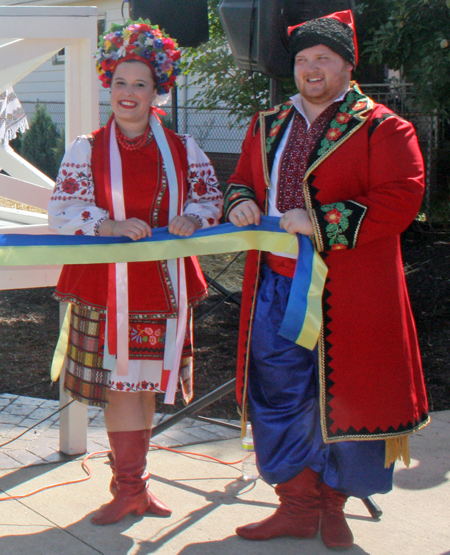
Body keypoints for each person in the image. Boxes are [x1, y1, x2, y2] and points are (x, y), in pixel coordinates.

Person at [224, 10, 429, 550]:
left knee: (349, 397)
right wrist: (242, 201)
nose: (310, 69)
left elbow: (403, 196)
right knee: (277, 394)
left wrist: (318, 221)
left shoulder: (383, 127)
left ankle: (334, 504)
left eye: (323, 59)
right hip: (275, 285)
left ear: (346, 65)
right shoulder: (267, 123)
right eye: (302, 60)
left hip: (352, 291)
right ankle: (295, 504)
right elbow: (242, 179)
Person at [48, 20, 223, 526]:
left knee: (144, 385)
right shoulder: (87, 148)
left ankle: (135, 485)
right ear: (109, 85)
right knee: (124, 385)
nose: (129, 93)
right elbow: (64, 208)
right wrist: (107, 222)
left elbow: (212, 196)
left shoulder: (184, 147)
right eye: (121, 83)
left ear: (156, 90)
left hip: (164, 286)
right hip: (107, 288)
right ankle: (128, 487)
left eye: (139, 84)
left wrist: (195, 216)